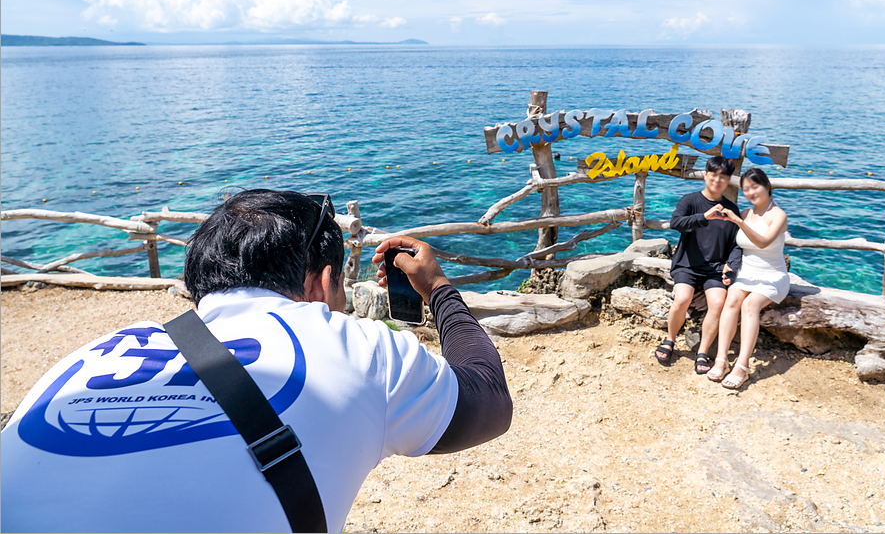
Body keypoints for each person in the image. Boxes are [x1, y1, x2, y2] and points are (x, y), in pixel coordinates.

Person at [1, 189, 512, 533]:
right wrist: (437, 288)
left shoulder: (93, 354)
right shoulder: (359, 347)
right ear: (322, 281)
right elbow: (488, 398)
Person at [656, 156, 742, 374]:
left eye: (723, 177)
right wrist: (705, 216)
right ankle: (670, 339)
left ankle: (702, 351)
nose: (717, 181)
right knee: (682, 299)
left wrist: (730, 266)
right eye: (713, 175)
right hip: (687, 265)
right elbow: (676, 223)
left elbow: (736, 244)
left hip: (714, 269)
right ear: (705, 175)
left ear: (728, 180)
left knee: (717, 303)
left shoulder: (731, 209)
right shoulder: (690, 201)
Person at [707, 168, 789, 389]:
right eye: (745, 189)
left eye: (755, 186)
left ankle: (742, 366)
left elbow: (763, 242)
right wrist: (728, 265)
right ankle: (721, 359)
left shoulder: (778, 215)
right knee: (732, 300)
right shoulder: (745, 213)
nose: (751, 192)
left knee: (750, 305)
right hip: (746, 273)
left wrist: (739, 223)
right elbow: (735, 246)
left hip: (773, 276)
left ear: (767, 186)